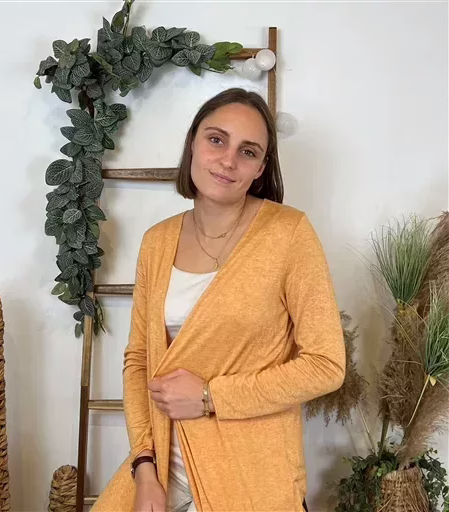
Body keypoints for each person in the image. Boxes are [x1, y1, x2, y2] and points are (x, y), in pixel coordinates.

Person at [92, 87, 346, 512]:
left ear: (261, 168)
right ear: (192, 142)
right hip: (162, 470)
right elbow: (139, 360)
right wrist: (144, 467)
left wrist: (211, 397)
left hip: (251, 476)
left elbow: (326, 365)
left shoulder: (289, 235)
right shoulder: (157, 242)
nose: (228, 160)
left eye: (247, 151)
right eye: (216, 140)